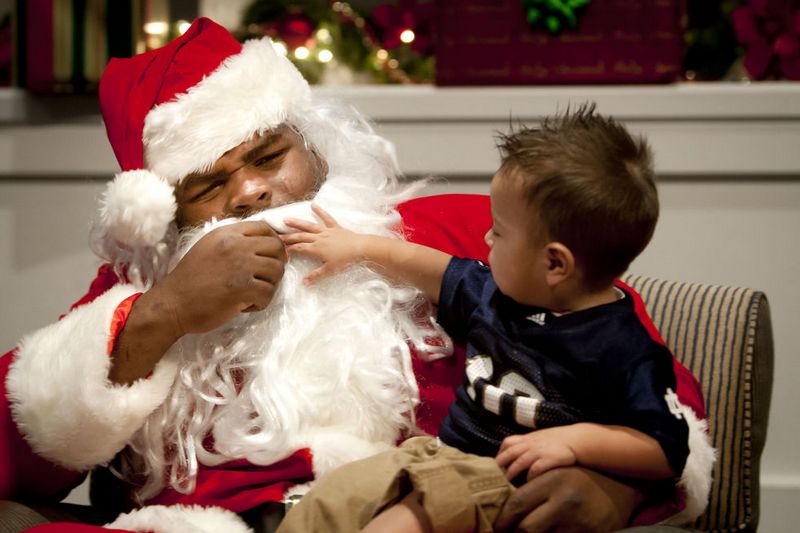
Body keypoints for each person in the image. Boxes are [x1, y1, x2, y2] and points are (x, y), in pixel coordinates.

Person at [0, 18, 713, 533]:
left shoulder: (456, 239)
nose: (250, 193)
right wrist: (161, 317)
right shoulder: (134, 302)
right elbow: (15, 451)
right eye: (208, 184)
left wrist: (611, 486)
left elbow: (641, 372)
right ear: (164, 213)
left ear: (311, 141)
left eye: (268, 156)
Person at [274, 105, 705, 533]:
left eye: (498, 232)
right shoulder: (495, 293)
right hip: (438, 456)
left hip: (507, 481)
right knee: (334, 500)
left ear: (555, 263)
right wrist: (357, 247)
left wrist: (574, 443)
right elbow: (427, 265)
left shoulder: (623, 347)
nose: (485, 238)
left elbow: (666, 449)